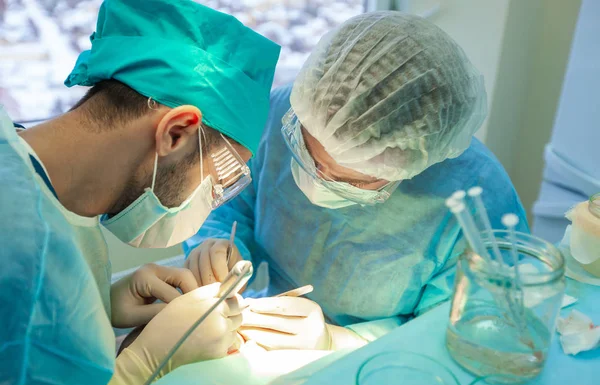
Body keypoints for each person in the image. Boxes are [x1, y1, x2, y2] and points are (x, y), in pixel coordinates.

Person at [184, 12, 529, 346]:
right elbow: (230, 202)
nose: (318, 182)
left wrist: (344, 341)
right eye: (308, 155)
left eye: (352, 181)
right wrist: (214, 246)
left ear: (414, 163)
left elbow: (454, 331)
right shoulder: (286, 112)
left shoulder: (477, 204)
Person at [0, 0, 280, 385]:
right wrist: (139, 368)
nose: (213, 200)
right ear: (177, 132)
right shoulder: (16, 239)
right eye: (221, 181)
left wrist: (102, 303)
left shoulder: (24, 170)